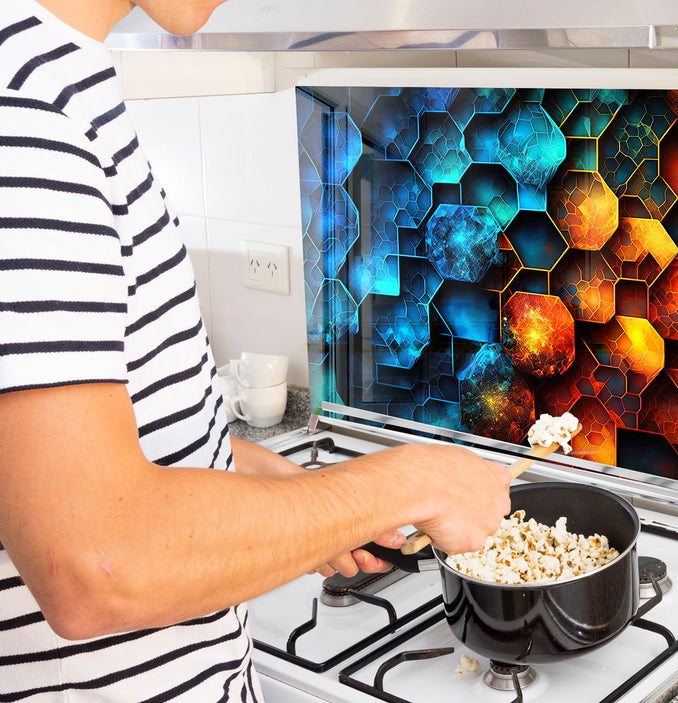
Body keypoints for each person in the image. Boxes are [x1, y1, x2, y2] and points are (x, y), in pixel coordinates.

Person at [0, 0, 513, 699]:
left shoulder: (55, 80)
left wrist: (294, 497)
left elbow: (74, 454)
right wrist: (416, 480)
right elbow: (95, 562)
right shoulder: (25, 118)